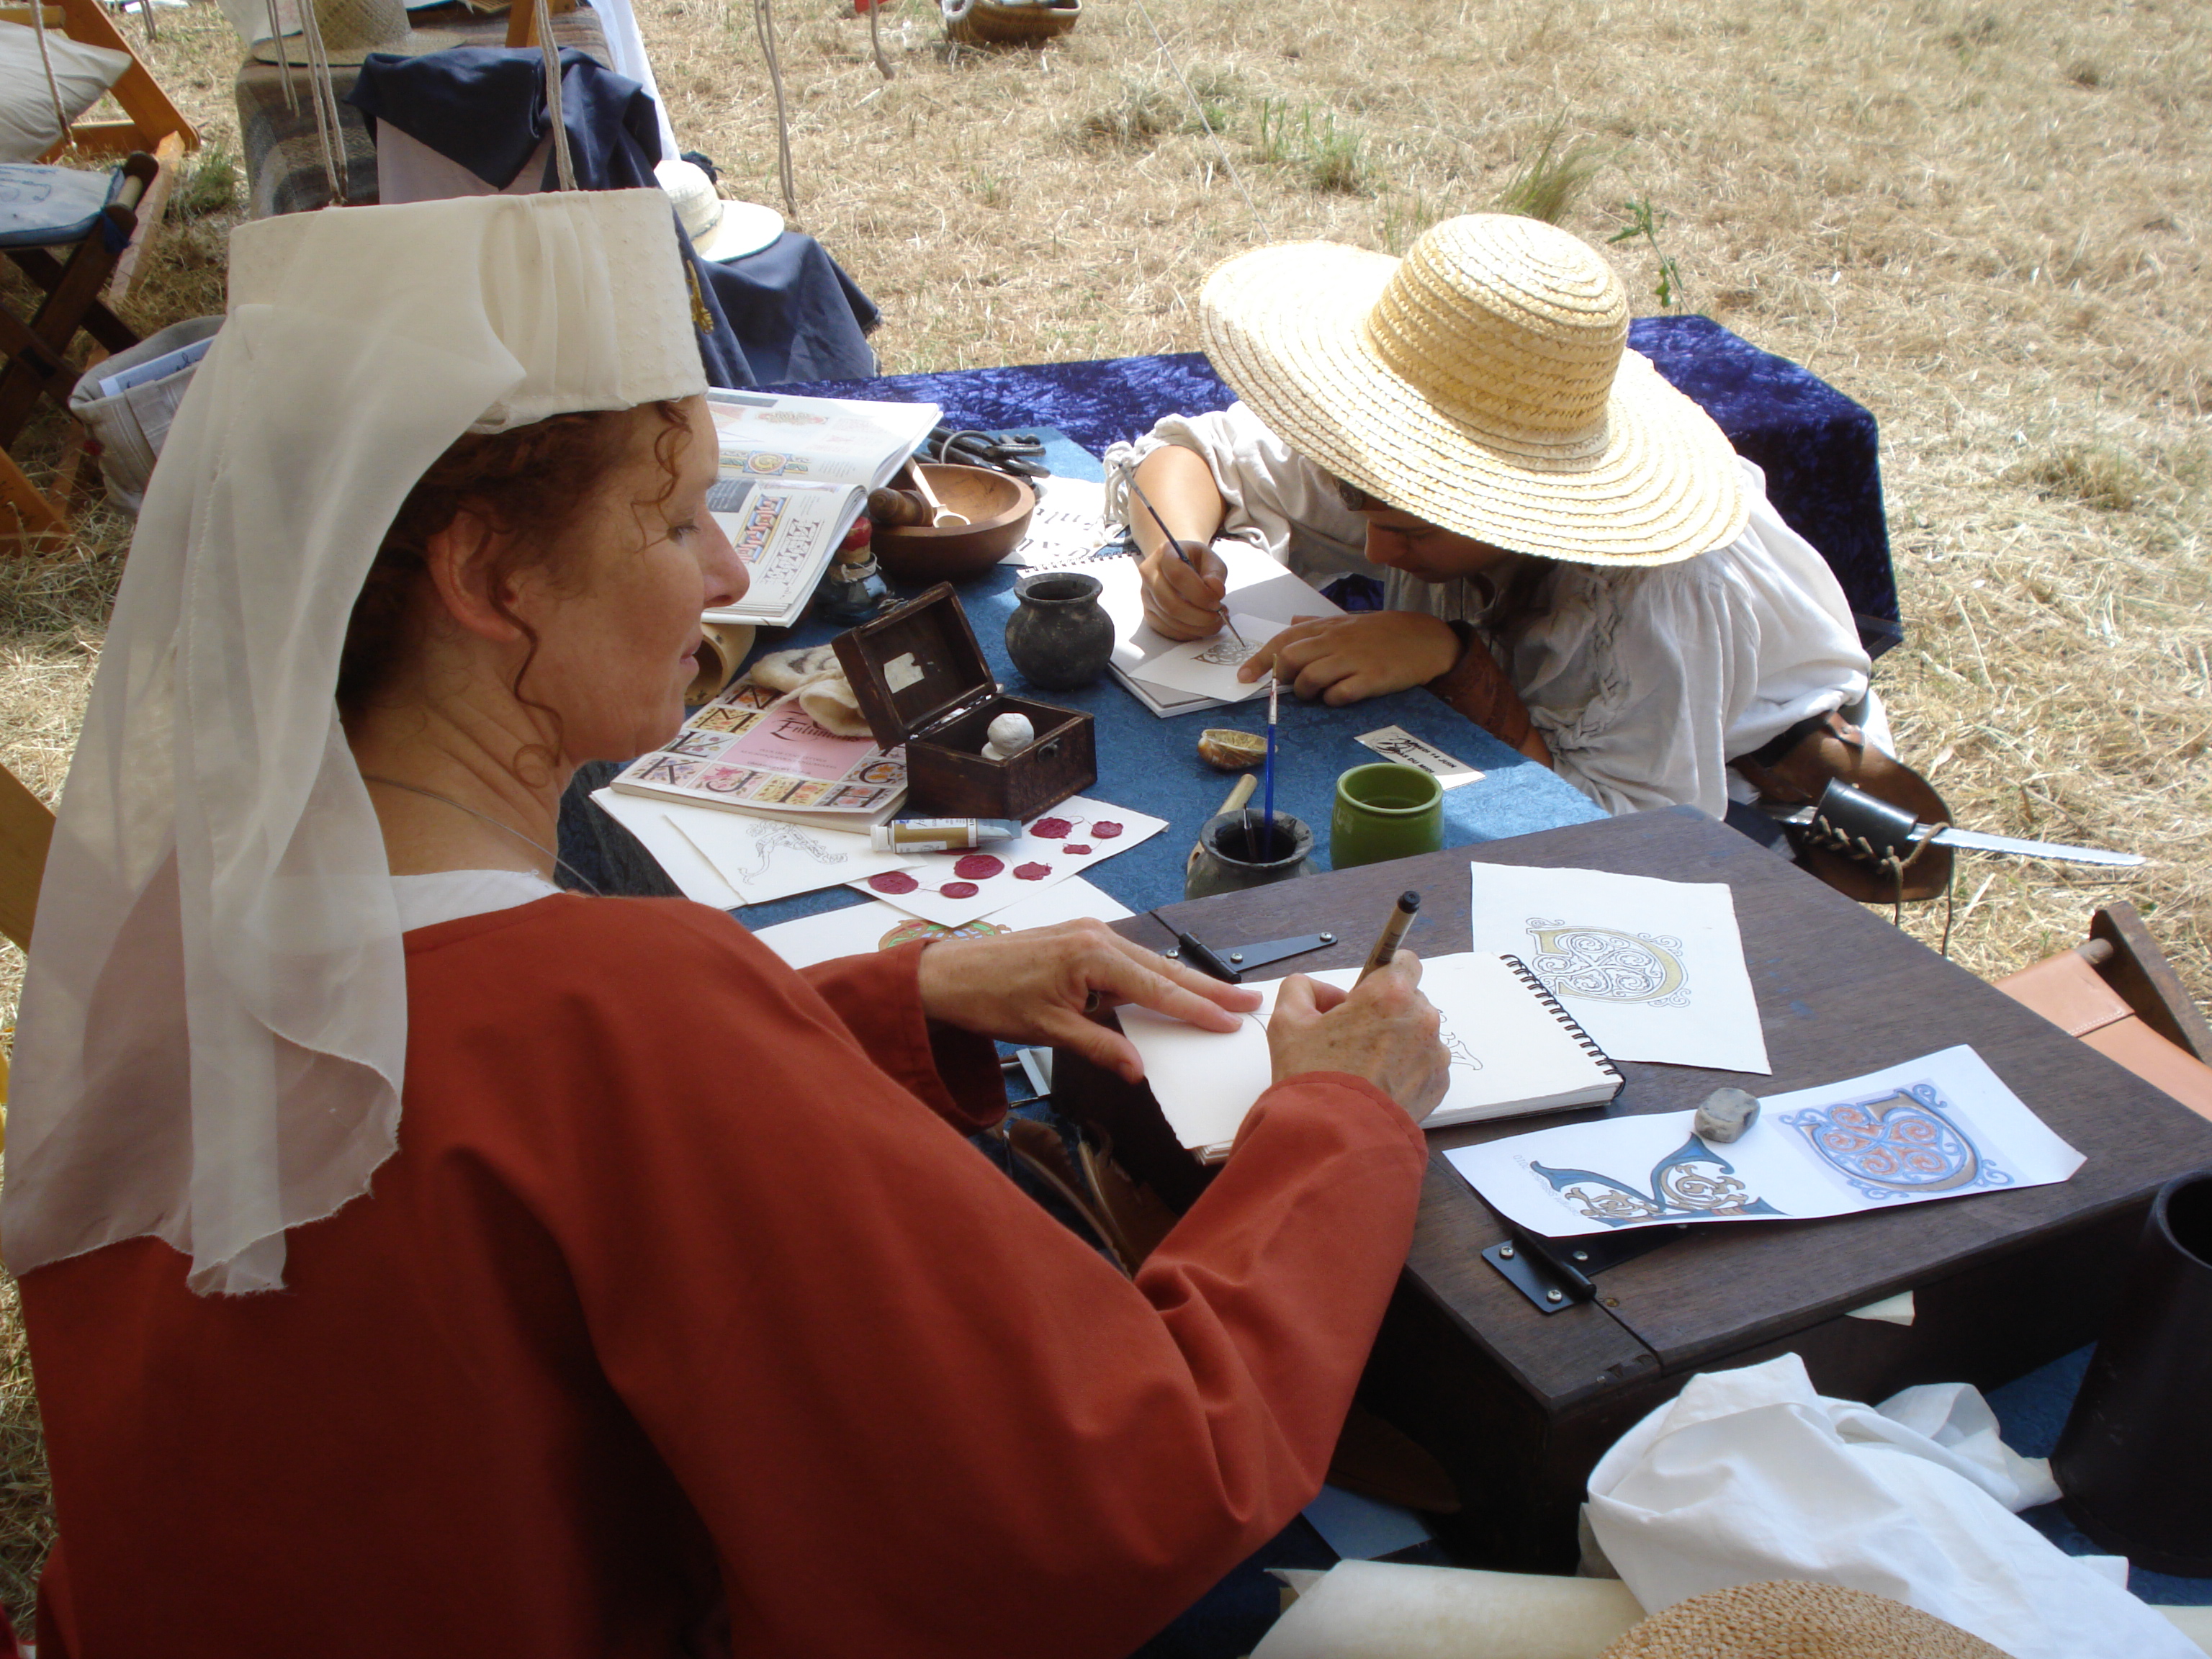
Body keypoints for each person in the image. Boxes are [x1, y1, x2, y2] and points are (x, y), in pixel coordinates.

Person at [4, 191, 1451, 1658]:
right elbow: (1120, 1494)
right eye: (673, 517)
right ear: (489, 578)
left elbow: (468, 1123)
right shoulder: (622, 1005)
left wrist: (878, 1003)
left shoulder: (166, 948)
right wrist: (1337, 1123)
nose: (729, 572)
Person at [1112, 212, 1894, 826]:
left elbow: (1624, 833)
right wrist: (1178, 552)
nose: (1377, 547)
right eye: (1360, 506)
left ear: (1528, 506)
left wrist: (1455, 661)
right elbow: (1191, 456)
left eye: (1413, 532)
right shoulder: (1391, 444)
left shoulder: (1658, 596)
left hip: (1746, 788)